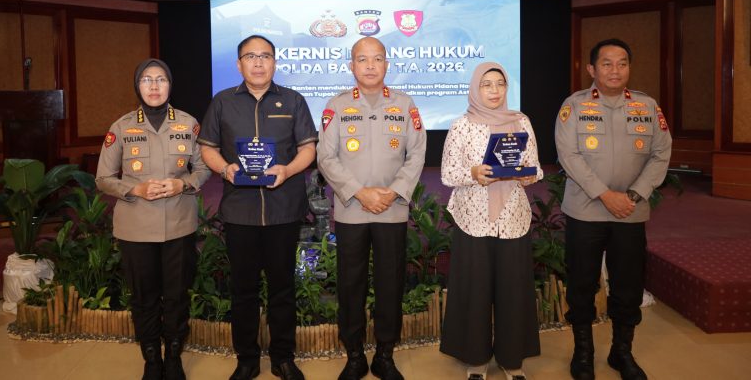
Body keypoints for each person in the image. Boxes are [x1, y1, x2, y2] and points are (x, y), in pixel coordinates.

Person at [197, 35, 318, 380]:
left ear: (275, 62)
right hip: (240, 212)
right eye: (251, 56)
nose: (259, 62)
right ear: (239, 64)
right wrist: (224, 168)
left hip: (283, 209)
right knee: (243, 290)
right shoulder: (222, 102)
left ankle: (283, 358)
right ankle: (246, 359)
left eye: (265, 56)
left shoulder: (293, 101)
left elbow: (308, 149)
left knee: (283, 287)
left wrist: (288, 169)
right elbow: (207, 148)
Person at [555, 39, 672, 380]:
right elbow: (568, 155)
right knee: (580, 284)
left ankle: (622, 352)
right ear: (592, 69)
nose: (615, 70)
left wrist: (633, 195)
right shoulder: (573, 106)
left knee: (628, 285)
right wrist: (605, 195)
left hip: (630, 213)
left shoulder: (647, 106)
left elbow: (661, 154)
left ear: (629, 68)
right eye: (606, 63)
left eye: (622, 63)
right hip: (586, 212)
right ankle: (583, 354)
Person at [317, 37, 427, 380]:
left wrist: (393, 193)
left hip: (391, 211)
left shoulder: (405, 105)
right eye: (361, 60)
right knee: (350, 285)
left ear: (386, 64)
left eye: (376, 59)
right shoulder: (336, 106)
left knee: (389, 283)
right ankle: (353, 355)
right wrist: (359, 192)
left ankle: (384, 355)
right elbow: (326, 158)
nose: (369, 65)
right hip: (351, 210)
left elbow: (417, 154)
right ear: (351, 66)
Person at [96, 58, 212, 380]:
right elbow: (103, 178)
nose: (154, 86)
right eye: (147, 80)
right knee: (144, 297)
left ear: (170, 85)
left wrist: (182, 183)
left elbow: (203, 169)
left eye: (161, 80)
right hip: (136, 228)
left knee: (176, 295)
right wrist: (136, 189)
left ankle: (174, 356)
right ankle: (151, 358)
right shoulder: (120, 128)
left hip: (179, 225)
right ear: (138, 86)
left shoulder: (188, 124)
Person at [439, 62, 542, 380]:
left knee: (513, 290)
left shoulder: (520, 121)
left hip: (512, 217)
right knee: (474, 290)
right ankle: (477, 360)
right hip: (473, 219)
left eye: (500, 84)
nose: (494, 90)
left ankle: (513, 361)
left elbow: (536, 168)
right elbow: (447, 174)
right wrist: (473, 174)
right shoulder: (462, 126)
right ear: (475, 88)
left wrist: (523, 173)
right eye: (487, 84)